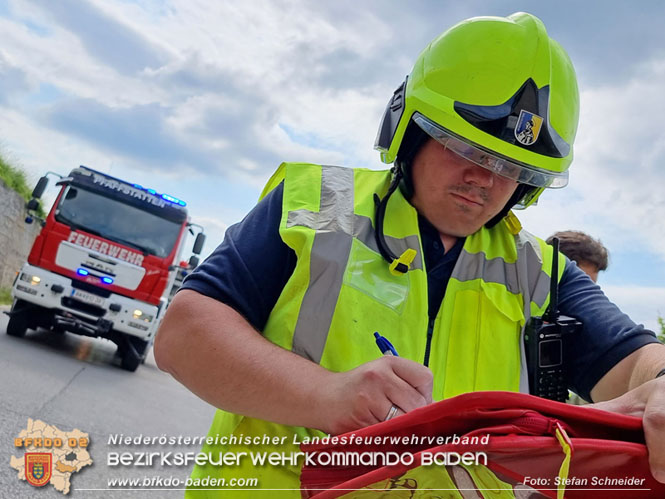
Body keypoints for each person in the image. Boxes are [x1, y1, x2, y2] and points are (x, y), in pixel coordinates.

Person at [154, 12, 665, 495]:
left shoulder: (541, 272)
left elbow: (635, 360)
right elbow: (185, 334)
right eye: (465, 147)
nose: (484, 179)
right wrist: (326, 396)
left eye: (512, 166)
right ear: (410, 129)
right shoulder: (318, 205)